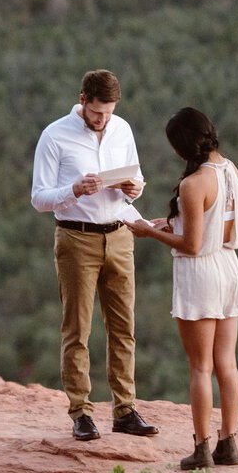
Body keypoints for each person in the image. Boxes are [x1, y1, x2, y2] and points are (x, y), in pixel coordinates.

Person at [31, 69, 159, 442]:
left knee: (124, 328)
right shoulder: (54, 135)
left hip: (120, 235)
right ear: (83, 99)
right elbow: (39, 198)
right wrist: (73, 189)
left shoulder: (122, 129)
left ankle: (125, 409)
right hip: (76, 239)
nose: (103, 120)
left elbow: (135, 182)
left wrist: (135, 188)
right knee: (78, 329)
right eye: (98, 112)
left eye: (109, 112)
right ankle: (81, 412)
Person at [127, 107, 238, 469]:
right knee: (227, 363)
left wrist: (149, 231)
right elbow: (222, 226)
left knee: (200, 367)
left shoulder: (193, 183)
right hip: (229, 267)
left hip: (200, 275)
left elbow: (193, 246)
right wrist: (174, 222)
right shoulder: (230, 170)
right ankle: (229, 442)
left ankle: (201, 449)